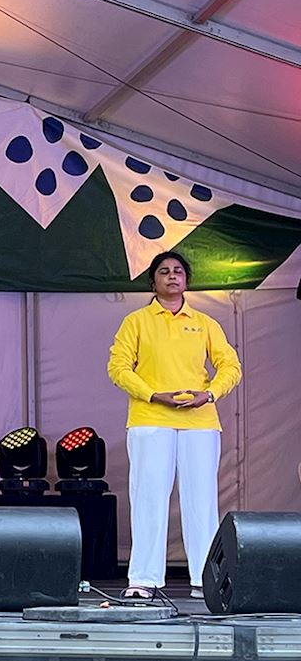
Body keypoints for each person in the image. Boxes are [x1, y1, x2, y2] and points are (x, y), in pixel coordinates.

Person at [107, 251, 241, 600]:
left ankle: (206, 579)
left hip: (200, 421)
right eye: (164, 271)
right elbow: (118, 367)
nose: (172, 276)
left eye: (178, 271)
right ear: (152, 281)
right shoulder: (136, 321)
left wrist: (209, 394)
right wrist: (153, 395)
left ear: (186, 280)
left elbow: (231, 366)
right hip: (150, 418)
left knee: (202, 501)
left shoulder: (205, 323)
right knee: (148, 497)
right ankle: (144, 579)